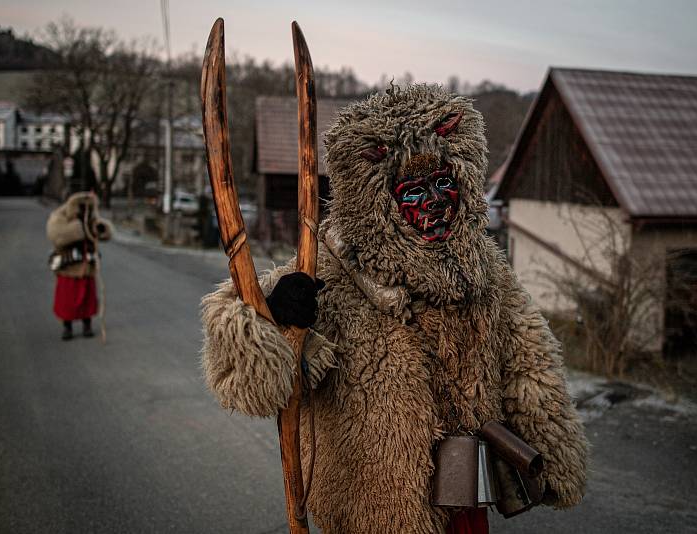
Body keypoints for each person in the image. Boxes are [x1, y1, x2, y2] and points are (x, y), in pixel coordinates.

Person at [201, 85, 588, 533]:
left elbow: (530, 361)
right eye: (413, 190)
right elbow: (241, 368)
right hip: (367, 508)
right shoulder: (328, 269)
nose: (435, 201)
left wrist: (552, 454)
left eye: (444, 182)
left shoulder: (484, 271)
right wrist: (272, 312)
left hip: (463, 498)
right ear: (377, 201)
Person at [46, 191, 112, 340]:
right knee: (66, 300)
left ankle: (87, 325)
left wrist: (101, 229)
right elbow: (56, 235)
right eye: (81, 206)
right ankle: (67, 327)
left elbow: (102, 233)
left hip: (86, 266)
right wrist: (78, 228)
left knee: (87, 298)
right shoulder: (60, 216)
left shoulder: (90, 219)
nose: (84, 209)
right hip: (68, 267)